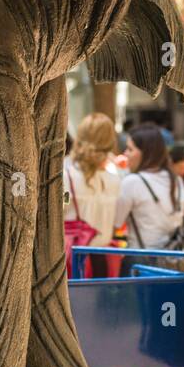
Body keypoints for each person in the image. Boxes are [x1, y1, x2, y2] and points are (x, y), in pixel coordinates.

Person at [63, 114, 121, 274]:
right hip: (105, 259)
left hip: (74, 261)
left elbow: (58, 213)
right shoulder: (116, 176)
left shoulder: (65, 174)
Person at [116, 123, 184, 252]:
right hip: (173, 260)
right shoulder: (176, 180)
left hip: (141, 261)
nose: (125, 154)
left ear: (146, 153)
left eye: (130, 149)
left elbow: (116, 222)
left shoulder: (132, 182)